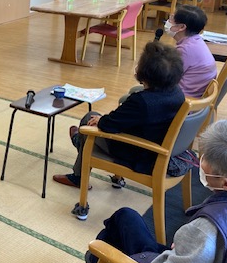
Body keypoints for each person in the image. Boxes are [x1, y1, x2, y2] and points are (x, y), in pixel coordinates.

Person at [66, 120, 227, 263]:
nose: (200, 163)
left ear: (226, 184)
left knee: (108, 240)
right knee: (125, 218)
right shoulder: (216, 222)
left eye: (205, 161)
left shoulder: (205, 231)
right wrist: (186, 249)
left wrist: (179, 251)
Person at [54, 41, 185, 189]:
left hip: (139, 152)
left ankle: (78, 169)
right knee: (95, 122)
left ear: (145, 72)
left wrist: (101, 120)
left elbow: (109, 125)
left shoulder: (141, 101)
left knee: (89, 119)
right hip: (158, 144)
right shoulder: (177, 93)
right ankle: (106, 170)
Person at [165, 4, 217, 98]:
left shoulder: (185, 50)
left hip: (184, 100)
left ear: (181, 27)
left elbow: (165, 79)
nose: (168, 21)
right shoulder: (196, 41)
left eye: (171, 19)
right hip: (194, 97)